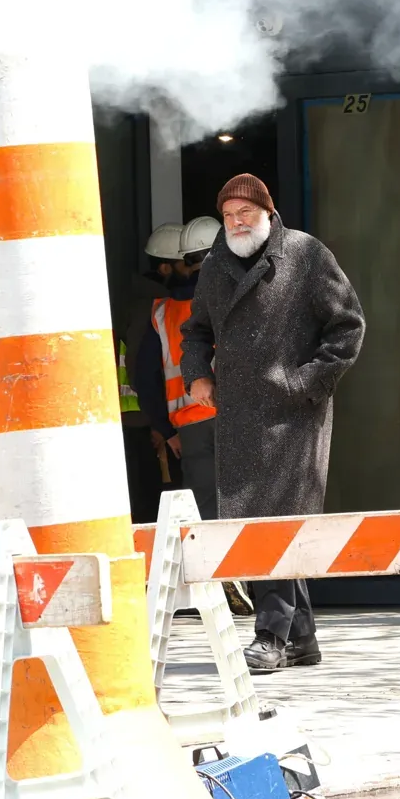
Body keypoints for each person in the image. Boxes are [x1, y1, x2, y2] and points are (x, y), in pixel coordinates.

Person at [181, 175, 365, 673]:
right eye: (228, 215)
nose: (237, 223)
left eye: (246, 213)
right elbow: (195, 330)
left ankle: (269, 636)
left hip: (293, 415)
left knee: (276, 519)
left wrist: (305, 382)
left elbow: (347, 325)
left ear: (267, 212)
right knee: (260, 521)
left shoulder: (305, 255)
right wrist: (197, 374)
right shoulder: (215, 266)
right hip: (238, 414)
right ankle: (300, 638)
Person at [136, 216, 253, 616]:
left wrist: (164, 427)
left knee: (203, 508)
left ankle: (217, 584)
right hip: (240, 416)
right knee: (248, 500)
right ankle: (247, 576)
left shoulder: (162, 313)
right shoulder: (239, 294)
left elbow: (147, 378)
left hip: (191, 423)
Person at [118, 223, 185, 522]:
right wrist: (159, 424)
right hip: (143, 424)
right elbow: (140, 369)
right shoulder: (151, 305)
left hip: (142, 420)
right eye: (185, 262)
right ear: (165, 268)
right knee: (153, 508)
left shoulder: (137, 299)